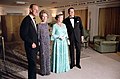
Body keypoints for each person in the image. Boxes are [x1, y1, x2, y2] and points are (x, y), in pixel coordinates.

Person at [20, 4, 39, 79]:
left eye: (37, 9)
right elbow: (23, 34)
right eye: (35, 9)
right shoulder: (26, 20)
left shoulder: (36, 19)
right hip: (30, 46)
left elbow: (37, 31)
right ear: (30, 9)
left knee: (34, 64)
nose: (37, 11)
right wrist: (31, 42)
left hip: (36, 45)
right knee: (32, 64)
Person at [37, 10, 50, 76]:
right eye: (43, 16)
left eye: (45, 16)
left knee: (47, 57)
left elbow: (48, 34)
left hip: (47, 42)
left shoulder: (47, 25)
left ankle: (47, 71)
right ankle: (43, 71)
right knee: (42, 57)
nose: (44, 18)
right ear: (41, 17)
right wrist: (39, 43)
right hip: (42, 43)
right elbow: (38, 35)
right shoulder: (38, 25)